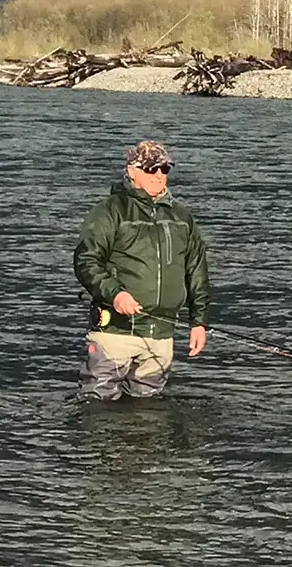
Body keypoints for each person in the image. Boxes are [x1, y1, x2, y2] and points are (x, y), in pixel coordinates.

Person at [72, 141, 213, 401]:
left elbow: (196, 270)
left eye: (164, 169)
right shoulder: (110, 211)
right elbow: (86, 261)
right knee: (97, 408)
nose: (159, 175)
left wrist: (199, 322)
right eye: (151, 169)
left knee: (148, 410)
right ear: (132, 171)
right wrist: (116, 294)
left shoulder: (182, 217)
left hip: (161, 337)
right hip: (115, 334)